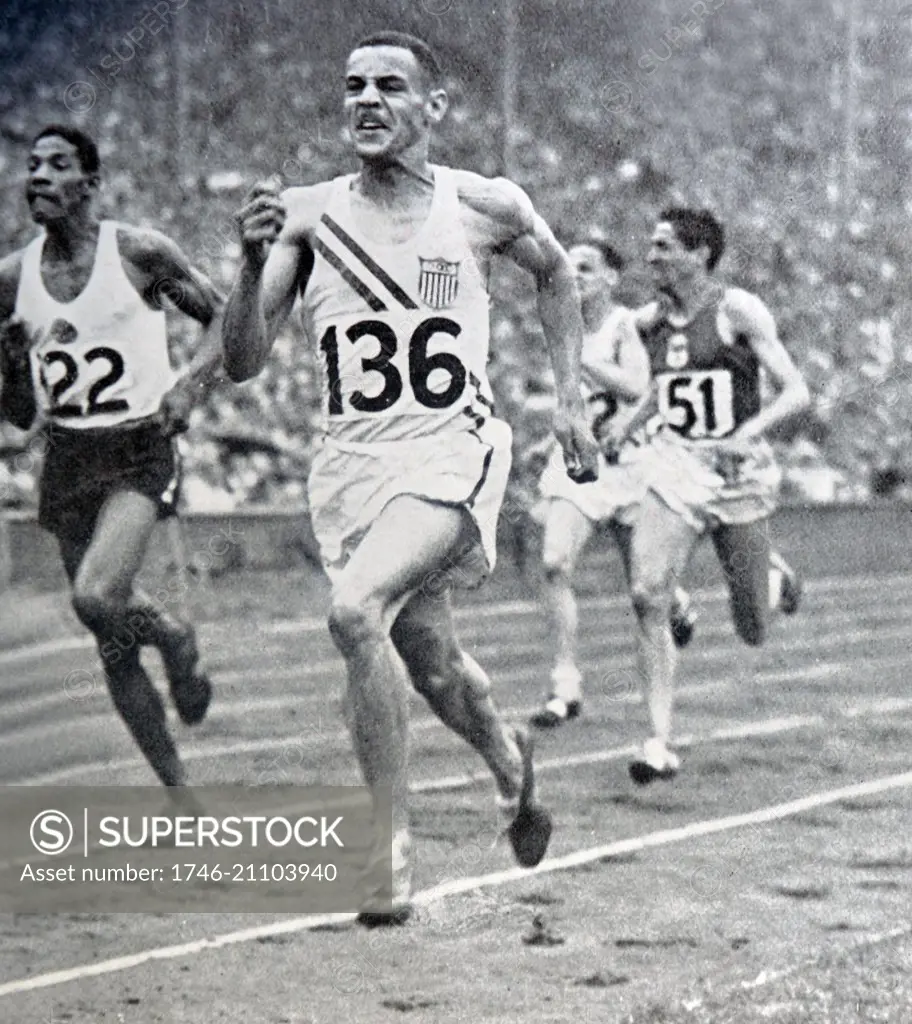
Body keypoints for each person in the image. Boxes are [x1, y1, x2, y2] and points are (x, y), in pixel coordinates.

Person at [222, 31, 599, 925]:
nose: (367, 100)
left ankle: (386, 848)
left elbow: (557, 281)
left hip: (450, 450)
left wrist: (570, 399)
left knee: (355, 613)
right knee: (427, 661)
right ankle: (510, 764)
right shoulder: (308, 216)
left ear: (433, 108)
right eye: (353, 85)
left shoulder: (484, 205)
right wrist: (244, 264)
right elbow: (241, 360)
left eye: (390, 86)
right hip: (352, 467)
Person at [0, 125, 224, 793]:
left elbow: (219, 317)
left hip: (137, 445)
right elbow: (16, 413)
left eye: (57, 165)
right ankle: (180, 795)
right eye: (32, 164)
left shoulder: (139, 252)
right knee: (112, 643)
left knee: (96, 597)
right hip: (68, 452)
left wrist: (188, 385)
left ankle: (177, 638)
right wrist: (10, 365)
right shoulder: (11, 277)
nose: (38, 175)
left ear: (90, 184)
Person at [623, 207, 809, 784]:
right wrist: (626, 427)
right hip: (679, 464)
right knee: (646, 593)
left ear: (698, 253)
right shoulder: (649, 321)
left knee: (752, 626)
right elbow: (666, 387)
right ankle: (658, 741)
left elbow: (796, 391)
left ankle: (774, 583)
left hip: (739, 474)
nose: (651, 257)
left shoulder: (737, 310)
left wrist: (743, 435)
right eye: (652, 246)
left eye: (663, 247)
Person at [528, 238, 697, 729]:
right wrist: (548, 439)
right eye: (570, 267)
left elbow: (634, 387)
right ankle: (564, 683)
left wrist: (581, 358)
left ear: (609, 279)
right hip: (582, 466)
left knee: (641, 584)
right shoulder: (565, 327)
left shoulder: (624, 326)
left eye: (586, 268)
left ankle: (679, 602)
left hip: (632, 468)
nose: (574, 275)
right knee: (554, 563)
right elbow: (576, 400)